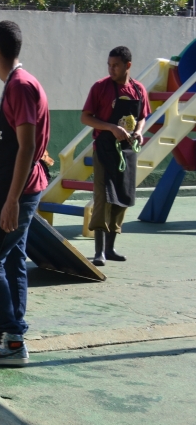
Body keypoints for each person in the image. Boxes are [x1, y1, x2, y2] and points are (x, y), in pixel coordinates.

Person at [0, 21, 51, 367]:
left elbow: (27, 145)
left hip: (16, 189)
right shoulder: (18, 84)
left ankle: (12, 341)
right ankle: (10, 336)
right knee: (14, 259)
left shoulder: (20, 86)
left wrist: (12, 199)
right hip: (16, 185)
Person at [81, 46, 150, 265]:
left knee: (122, 197)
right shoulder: (100, 88)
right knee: (103, 197)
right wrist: (111, 128)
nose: (111, 69)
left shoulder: (139, 90)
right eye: (109, 65)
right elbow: (86, 117)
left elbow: (142, 117)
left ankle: (110, 248)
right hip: (104, 149)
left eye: (116, 65)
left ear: (128, 66)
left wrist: (139, 131)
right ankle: (99, 251)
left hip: (127, 151)